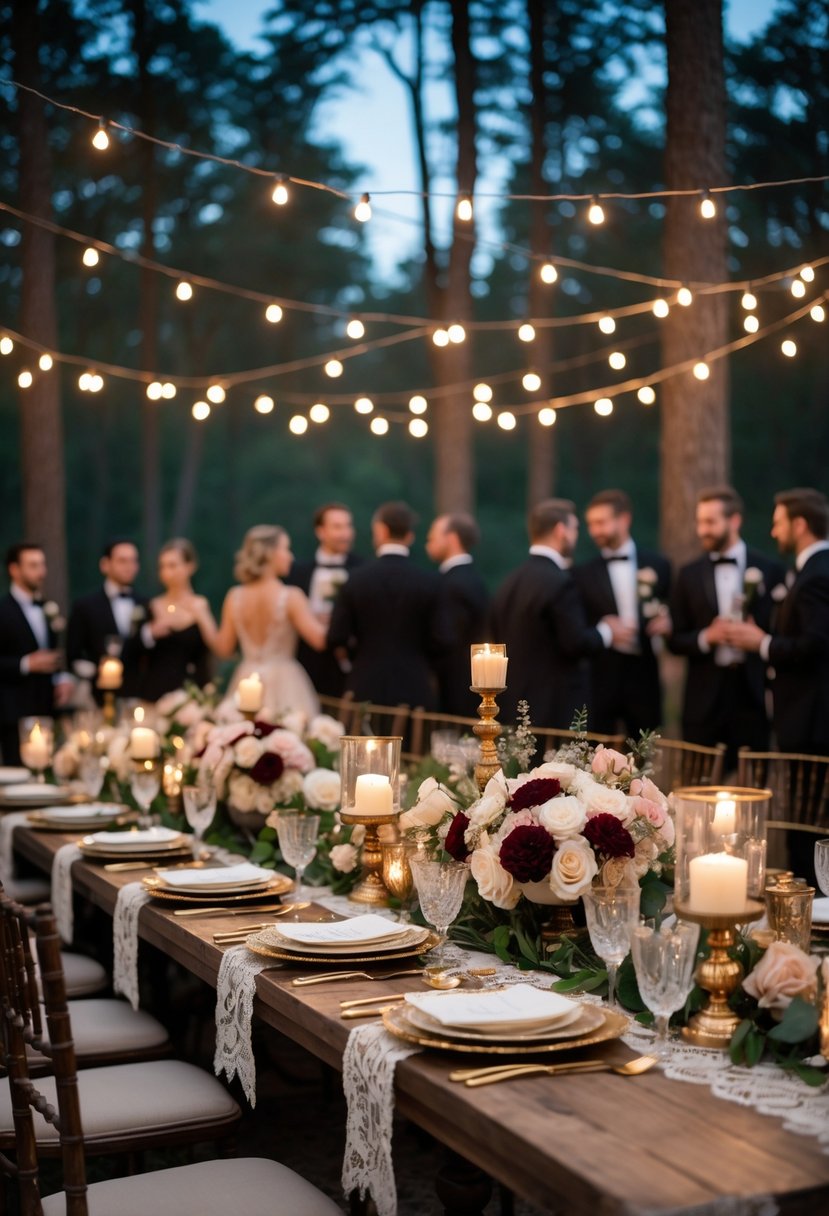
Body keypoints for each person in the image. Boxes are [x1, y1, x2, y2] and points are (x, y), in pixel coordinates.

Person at [489, 499, 636, 731]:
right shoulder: (560, 581)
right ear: (561, 530)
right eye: (575, 528)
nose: (577, 535)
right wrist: (607, 631)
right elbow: (575, 643)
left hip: (512, 702)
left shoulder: (509, 581)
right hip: (554, 707)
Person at [667, 486, 786, 768]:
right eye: (699, 522)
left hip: (753, 695)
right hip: (703, 699)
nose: (702, 530)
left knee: (754, 781)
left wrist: (758, 636)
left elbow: (783, 633)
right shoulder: (688, 574)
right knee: (697, 780)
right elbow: (674, 640)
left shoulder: (771, 570)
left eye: (710, 522)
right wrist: (707, 637)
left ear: (734, 521)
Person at [728, 487, 829, 755]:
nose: (773, 532)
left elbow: (815, 645)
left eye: (778, 524)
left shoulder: (817, 574)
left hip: (812, 718)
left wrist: (762, 643)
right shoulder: (811, 569)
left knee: (806, 797)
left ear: (799, 525)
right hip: (804, 715)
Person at [327, 501, 452, 710]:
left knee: (364, 741)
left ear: (381, 530)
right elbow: (443, 639)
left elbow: (336, 636)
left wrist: (359, 655)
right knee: (414, 743)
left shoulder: (356, 579)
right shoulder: (430, 582)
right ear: (410, 536)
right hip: (415, 686)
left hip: (365, 684)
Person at [197, 525, 325, 720]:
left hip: (245, 679)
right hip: (286, 683)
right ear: (270, 554)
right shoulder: (291, 597)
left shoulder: (234, 597)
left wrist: (203, 617)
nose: (290, 556)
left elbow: (224, 649)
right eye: (285, 548)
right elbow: (320, 640)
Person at [573, 489, 671, 739]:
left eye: (601, 522)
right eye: (591, 524)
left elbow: (674, 609)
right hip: (601, 676)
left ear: (624, 519)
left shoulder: (658, 564)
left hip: (644, 674)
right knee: (596, 757)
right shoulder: (583, 573)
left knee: (642, 755)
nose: (595, 531)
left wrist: (668, 622)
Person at [0, 543, 72, 765]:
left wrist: (61, 678)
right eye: (33, 565)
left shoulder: (47, 607)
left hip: (48, 707)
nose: (41, 571)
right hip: (14, 711)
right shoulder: (3, 610)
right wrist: (25, 664)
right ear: (14, 569)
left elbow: (54, 652)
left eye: (42, 564)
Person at [66, 539, 159, 700]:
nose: (129, 567)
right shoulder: (85, 606)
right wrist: (95, 670)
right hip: (95, 696)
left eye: (133, 561)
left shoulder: (146, 604)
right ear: (105, 564)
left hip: (138, 694)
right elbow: (73, 654)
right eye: (122, 561)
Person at [287, 503, 362, 697]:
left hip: (350, 667)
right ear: (320, 531)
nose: (345, 533)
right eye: (337, 527)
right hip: (305, 666)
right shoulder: (297, 573)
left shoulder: (363, 570)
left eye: (348, 526)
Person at [425, 512, 489, 716]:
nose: (427, 544)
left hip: (455, 688)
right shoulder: (473, 578)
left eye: (432, 538)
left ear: (451, 538)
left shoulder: (452, 584)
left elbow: (447, 638)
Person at [141, 539, 215, 702]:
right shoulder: (153, 606)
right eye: (163, 566)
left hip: (193, 693)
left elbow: (214, 647)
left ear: (190, 566)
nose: (167, 572)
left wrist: (201, 616)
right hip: (156, 693)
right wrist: (150, 633)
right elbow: (137, 653)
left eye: (173, 565)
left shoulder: (200, 605)